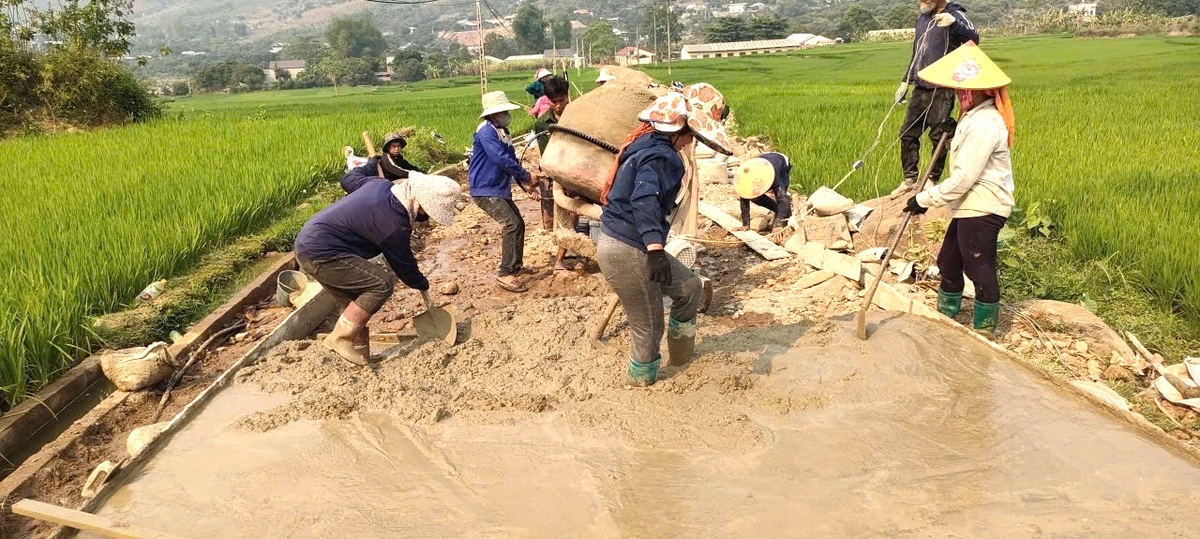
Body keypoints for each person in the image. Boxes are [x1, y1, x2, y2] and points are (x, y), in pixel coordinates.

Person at [598, 83, 733, 386]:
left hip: (625, 243)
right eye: (692, 136)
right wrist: (657, 249)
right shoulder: (663, 157)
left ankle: (682, 359)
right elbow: (643, 200)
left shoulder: (645, 143)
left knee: (689, 289)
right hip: (628, 248)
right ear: (681, 130)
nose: (691, 142)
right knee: (648, 326)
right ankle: (641, 383)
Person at [902, 44, 1015, 339]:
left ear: (974, 92)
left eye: (958, 91)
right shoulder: (973, 118)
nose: (955, 95)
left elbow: (963, 178)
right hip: (969, 206)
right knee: (948, 262)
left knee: (979, 266)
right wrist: (954, 133)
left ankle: (986, 330)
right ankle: (946, 317)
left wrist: (923, 199)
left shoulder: (985, 124)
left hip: (984, 206)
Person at [295, 172, 462, 365]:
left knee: (355, 303)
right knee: (380, 284)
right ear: (420, 202)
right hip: (323, 253)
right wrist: (421, 283)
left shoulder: (379, 185)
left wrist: (370, 166)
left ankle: (359, 357)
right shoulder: (394, 224)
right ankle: (340, 338)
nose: (425, 217)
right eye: (428, 212)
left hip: (308, 242)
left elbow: (348, 179)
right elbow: (403, 265)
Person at [891, 0, 980, 196]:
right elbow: (917, 53)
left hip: (943, 88)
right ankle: (909, 179)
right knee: (907, 133)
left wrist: (954, 24)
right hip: (921, 86)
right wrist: (906, 80)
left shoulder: (956, 15)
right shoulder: (923, 19)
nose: (922, 2)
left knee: (938, 136)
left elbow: (975, 40)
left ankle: (932, 179)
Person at [469, 91, 541, 293]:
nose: (507, 115)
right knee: (511, 223)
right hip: (485, 188)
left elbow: (511, 162)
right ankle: (505, 273)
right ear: (493, 114)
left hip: (497, 187)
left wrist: (525, 184)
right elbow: (500, 158)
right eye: (503, 111)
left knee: (518, 223)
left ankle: (515, 267)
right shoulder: (486, 132)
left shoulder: (503, 132)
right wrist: (527, 176)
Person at [532, 76, 577, 270]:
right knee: (551, 218)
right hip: (553, 173)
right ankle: (560, 251)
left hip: (575, 172)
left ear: (567, 97)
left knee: (573, 212)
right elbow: (546, 155)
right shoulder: (543, 123)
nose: (558, 106)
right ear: (547, 101)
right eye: (554, 102)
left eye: (562, 100)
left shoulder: (579, 116)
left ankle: (561, 257)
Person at [340, 131, 425, 191]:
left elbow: (408, 166)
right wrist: (415, 175)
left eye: (398, 146)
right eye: (394, 146)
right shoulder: (386, 158)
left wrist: (421, 172)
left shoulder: (399, 157)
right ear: (388, 147)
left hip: (395, 182)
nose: (397, 149)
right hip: (387, 184)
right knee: (410, 182)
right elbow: (397, 170)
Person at [733, 152, 793, 231]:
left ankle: (785, 218)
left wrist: (778, 224)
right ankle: (779, 211)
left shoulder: (772, 175)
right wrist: (745, 224)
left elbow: (783, 199)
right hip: (764, 159)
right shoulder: (744, 180)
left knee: (781, 194)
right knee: (753, 197)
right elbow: (744, 198)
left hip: (781, 161)